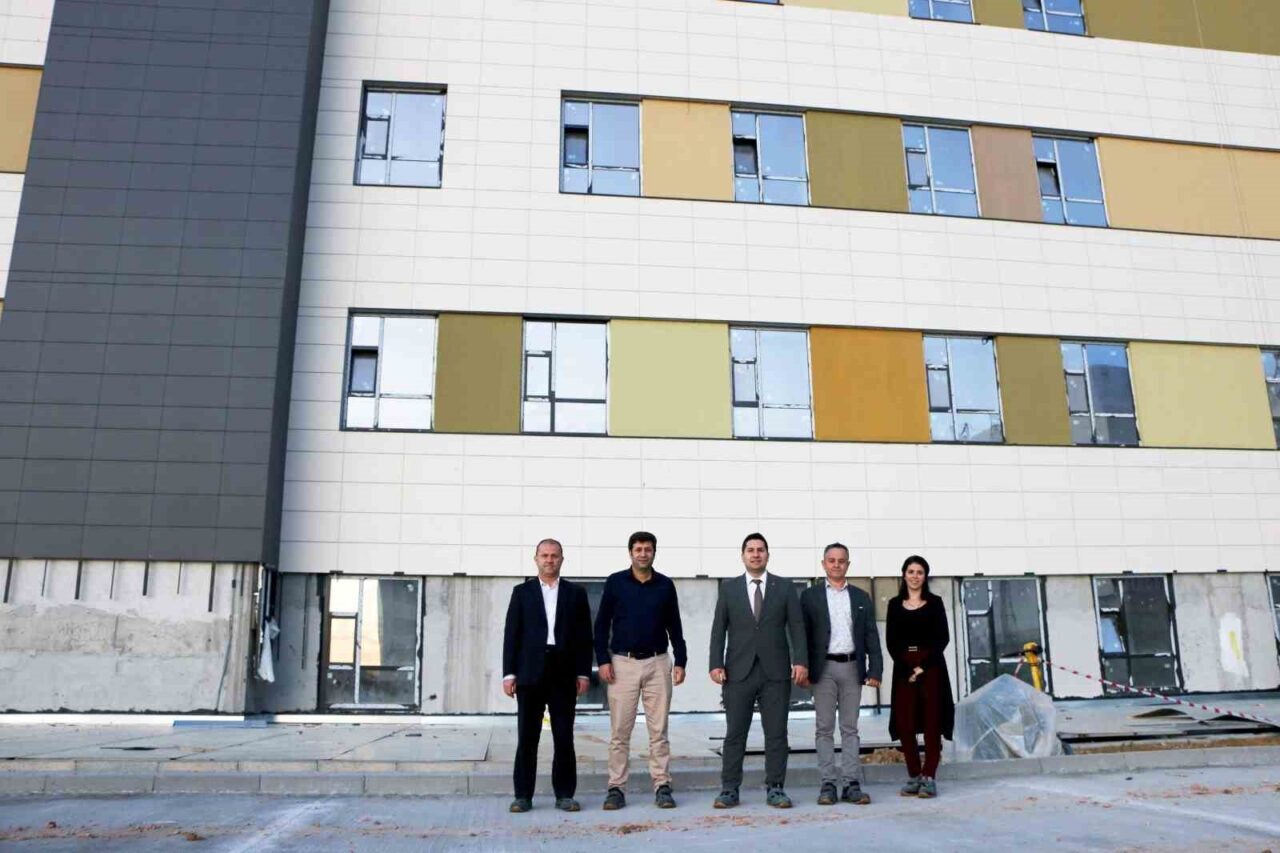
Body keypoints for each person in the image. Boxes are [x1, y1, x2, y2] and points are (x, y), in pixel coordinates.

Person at [708, 532, 808, 809]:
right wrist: (715, 663)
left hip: (775, 672)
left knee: (776, 733)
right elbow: (718, 629)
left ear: (767, 554)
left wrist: (800, 660)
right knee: (735, 733)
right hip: (737, 671)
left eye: (760, 550)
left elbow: (797, 627)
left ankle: (775, 788)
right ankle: (729, 789)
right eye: (750, 550)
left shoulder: (784, 587)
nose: (755, 554)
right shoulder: (729, 588)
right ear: (743, 555)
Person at [594, 531, 688, 810]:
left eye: (648, 549)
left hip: (658, 663)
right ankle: (616, 788)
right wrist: (603, 660)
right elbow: (601, 625)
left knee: (659, 730)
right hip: (622, 664)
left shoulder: (665, 585)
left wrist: (681, 661)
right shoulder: (615, 583)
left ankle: (662, 785)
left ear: (654, 552)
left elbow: (675, 626)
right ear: (630, 552)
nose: (643, 554)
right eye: (638, 549)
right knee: (619, 732)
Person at [502, 539, 593, 813]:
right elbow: (512, 634)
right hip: (530, 672)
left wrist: (583, 672)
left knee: (564, 737)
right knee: (527, 737)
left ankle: (565, 795)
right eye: (545, 555)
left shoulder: (576, 593)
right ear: (536, 559)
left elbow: (584, 636)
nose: (549, 560)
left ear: (562, 559)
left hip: (564, 672)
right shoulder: (522, 592)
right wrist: (509, 673)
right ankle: (523, 796)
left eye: (554, 555)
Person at [800, 542, 883, 806]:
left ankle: (851, 783)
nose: (836, 564)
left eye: (841, 560)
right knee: (824, 728)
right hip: (822, 669)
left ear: (848, 564)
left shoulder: (860, 597)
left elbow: (871, 635)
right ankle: (827, 784)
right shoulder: (809, 597)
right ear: (823, 564)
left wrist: (875, 669)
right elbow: (801, 635)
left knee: (850, 728)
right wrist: (801, 665)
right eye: (832, 560)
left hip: (851, 667)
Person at [885, 554, 955, 799]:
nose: (915, 576)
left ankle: (929, 776)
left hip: (932, 667)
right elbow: (891, 641)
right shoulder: (894, 604)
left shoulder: (935, 603)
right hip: (903, 668)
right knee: (905, 724)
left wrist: (922, 667)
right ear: (904, 575)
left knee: (932, 723)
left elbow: (942, 637)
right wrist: (909, 669)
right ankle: (914, 775)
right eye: (911, 571)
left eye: (920, 572)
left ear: (925, 577)